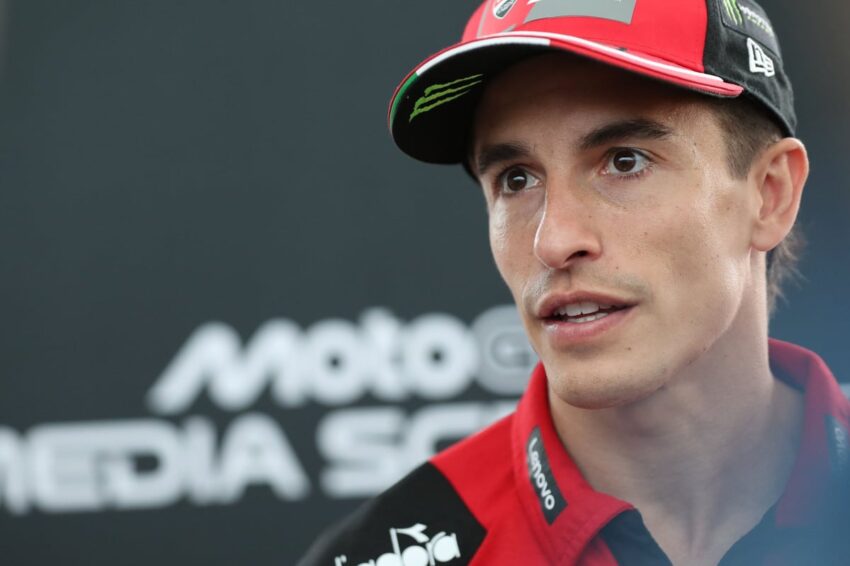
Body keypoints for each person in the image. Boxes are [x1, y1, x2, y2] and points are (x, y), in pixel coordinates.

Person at [299, 0, 849, 564]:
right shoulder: (379, 553)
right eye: (516, 179)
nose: (554, 241)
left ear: (770, 195)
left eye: (625, 161)